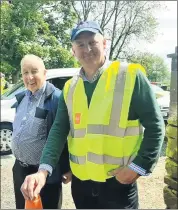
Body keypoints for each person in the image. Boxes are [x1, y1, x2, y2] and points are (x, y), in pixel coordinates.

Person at [21, 21, 165, 209]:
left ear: (104, 43)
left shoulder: (130, 76)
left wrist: (138, 167)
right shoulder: (70, 88)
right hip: (82, 186)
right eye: (80, 44)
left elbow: (156, 126)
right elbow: (58, 131)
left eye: (92, 42)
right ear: (73, 50)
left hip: (117, 185)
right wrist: (43, 171)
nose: (87, 48)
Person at [11, 54, 71, 209]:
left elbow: (65, 134)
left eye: (34, 71)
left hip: (44, 173)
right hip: (20, 170)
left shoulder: (57, 98)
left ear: (45, 73)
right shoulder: (22, 98)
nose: (29, 77)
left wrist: (66, 168)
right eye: (25, 72)